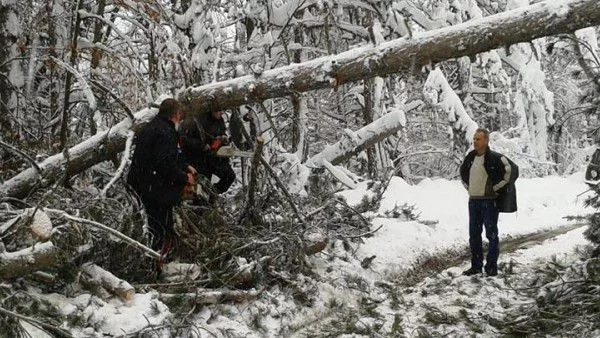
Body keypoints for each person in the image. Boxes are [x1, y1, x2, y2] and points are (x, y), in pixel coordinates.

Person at [127, 98, 196, 261]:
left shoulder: (157, 127)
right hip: (152, 186)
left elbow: (171, 155)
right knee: (159, 226)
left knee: (156, 223)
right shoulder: (164, 132)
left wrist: (186, 166)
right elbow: (165, 164)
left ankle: (158, 258)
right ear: (176, 114)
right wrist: (184, 178)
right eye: (180, 114)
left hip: (145, 183)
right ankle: (156, 262)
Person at [459, 128, 515, 277]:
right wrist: (469, 188)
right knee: (474, 235)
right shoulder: (470, 157)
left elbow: (511, 170)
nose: (475, 142)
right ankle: (476, 266)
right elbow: (462, 173)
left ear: (486, 141)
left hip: (489, 203)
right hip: (474, 202)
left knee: (491, 235)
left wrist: (495, 187)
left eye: (478, 139)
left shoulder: (495, 158)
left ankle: (491, 268)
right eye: (474, 139)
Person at [181, 109, 236, 203]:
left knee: (229, 176)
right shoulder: (197, 120)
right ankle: (201, 207)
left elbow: (221, 134)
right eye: (218, 110)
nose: (221, 113)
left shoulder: (220, 121)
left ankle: (212, 194)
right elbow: (185, 140)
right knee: (201, 189)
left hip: (214, 158)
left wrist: (223, 140)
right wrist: (201, 145)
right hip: (198, 159)